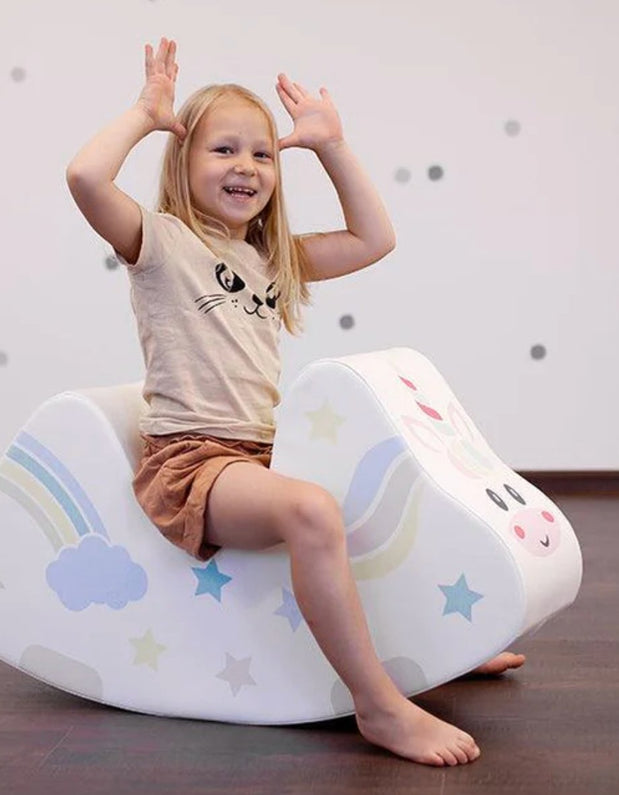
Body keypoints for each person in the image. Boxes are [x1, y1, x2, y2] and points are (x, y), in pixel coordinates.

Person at [66, 37, 523, 766]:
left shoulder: (271, 257)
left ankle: (429, 649)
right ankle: (378, 705)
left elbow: (375, 237)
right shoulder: (161, 242)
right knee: (311, 509)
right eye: (222, 149)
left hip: (261, 454)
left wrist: (331, 146)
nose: (245, 166)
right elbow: (86, 176)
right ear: (182, 162)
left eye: (262, 154)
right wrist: (145, 114)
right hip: (191, 463)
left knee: (367, 493)